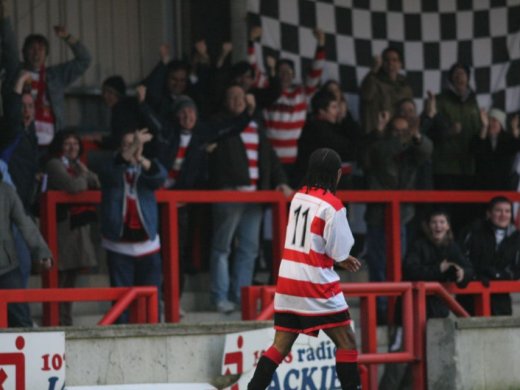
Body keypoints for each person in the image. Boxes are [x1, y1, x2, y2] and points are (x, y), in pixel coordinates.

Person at [247, 148, 362, 390]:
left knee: (279, 346)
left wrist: (337, 257)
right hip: (315, 284)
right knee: (347, 343)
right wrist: (341, 258)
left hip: (288, 282)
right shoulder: (333, 206)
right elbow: (338, 250)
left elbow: (312, 242)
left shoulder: (299, 196)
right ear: (338, 175)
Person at [208, 84, 291, 313]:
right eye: (232, 96)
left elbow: (271, 158)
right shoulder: (220, 123)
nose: (237, 100)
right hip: (229, 192)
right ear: (225, 102)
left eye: (241, 96)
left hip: (256, 196)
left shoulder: (256, 125)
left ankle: (240, 296)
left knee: (249, 249)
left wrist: (280, 182)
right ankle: (220, 297)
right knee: (222, 247)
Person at [380, 210, 474, 390]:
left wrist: (462, 273)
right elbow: (410, 271)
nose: (438, 226)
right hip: (410, 313)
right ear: (428, 226)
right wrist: (439, 269)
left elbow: (468, 268)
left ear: (448, 226)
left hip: (437, 314)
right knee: (398, 361)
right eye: (434, 222)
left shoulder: (452, 247)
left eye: (442, 222)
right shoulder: (418, 245)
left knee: (425, 360)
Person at [363, 115, 433, 322]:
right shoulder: (380, 146)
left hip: (403, 216)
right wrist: (380, 132)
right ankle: (383, 310)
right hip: (378, 215)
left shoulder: (412, 149)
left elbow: (427, 150)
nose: (402, 135)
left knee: (399, 265)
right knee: (378, 265)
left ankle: (395, 310)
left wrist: (417, 136)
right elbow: (376, 155)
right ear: (389, 131)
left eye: (405, 131)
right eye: (397, 131)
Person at [96, 128, 167, 323]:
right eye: (128, 144)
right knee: (121, 304)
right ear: (120, 147)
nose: (133, 147)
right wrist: (130, 152)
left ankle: (154, 342)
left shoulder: (148, 165)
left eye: (136, 143)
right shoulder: (110, 165)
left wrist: (141, 158)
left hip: (148, 245)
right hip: (119, 244)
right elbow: (110, 174)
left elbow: (159, 177)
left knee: (152, 300)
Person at [0, 0, 91, 146]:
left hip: (52, 146)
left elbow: (84, 59)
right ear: (23, 52)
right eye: (32, 49)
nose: (36, 53)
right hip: (20, 143)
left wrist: (68, 37)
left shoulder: (56, 76)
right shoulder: (15, 72)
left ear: (46, 54)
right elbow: (9, 46)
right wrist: (4, 18)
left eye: (41, 49)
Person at [249, 26, 326, 182]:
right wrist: (251, 42)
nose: (285, 76)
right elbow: (254, 70)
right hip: (268, 158)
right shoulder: (267, 91)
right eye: (281, 72)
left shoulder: (301, 94)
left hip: (294, 160)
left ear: (294, 75)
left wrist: (321, 45)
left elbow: (315, 73)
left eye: (288, 72)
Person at [45, 130, 100, 325]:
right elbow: (72, 186)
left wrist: (84, 177)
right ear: (60, 146)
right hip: (61, 229)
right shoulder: (54, 164)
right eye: (67, 143)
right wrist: (84, 179)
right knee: (59, 277)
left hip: (78, 229)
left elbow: (96, 182)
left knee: (72, 279)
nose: (72, 147)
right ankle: (54, 320)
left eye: (75, 144)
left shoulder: (78, 165)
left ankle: (66, 319)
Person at [0, 169, 52, 327]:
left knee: (22, 321)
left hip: (6, 267)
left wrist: (42, 252)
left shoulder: (6, 191)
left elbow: (25, 223)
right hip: (7, 265)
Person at [459, 196, 520, 316]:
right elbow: (461, 259)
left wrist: (497, 275)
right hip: (470, 299)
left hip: (501, 301)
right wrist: (476, 275)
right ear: (489, 213)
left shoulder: (516, 237)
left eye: (507, 211)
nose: (503, 215)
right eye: (498, 210)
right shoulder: (473, 231)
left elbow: (516, 269)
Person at [294, 88, 362, 186]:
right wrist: (346, 118)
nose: (338, 111)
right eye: (334, 107)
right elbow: (349, 150)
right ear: (322, 111)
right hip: (315, 187)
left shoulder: (321, 126)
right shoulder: (318, 130)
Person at [360, 47, 413, 134]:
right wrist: (373, 71)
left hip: (398, 135)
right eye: (387, 60)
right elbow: (366, 95)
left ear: (400, 64)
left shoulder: (405, 86)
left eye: (394, 60)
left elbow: (409, 112)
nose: (390, 63)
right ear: (382, 63)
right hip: (377, 134)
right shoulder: (373, 80)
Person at [471, 108, 520, 190]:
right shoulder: (480, 136)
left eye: (494, 120)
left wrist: (515, 130)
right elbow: (476, 150)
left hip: (503, 186)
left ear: (501, 124)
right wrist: (484, 127)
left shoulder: (507, 138)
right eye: (489, 120)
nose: (490, 123)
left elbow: (516, 148)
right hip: (482, 186)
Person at [100, 75, 142, 150]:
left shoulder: (122, 112)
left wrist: (101, 139)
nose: (105, 96)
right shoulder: (118, 109)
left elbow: (119, 140)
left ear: (118, 94)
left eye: (110, 92)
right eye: (104, 92)